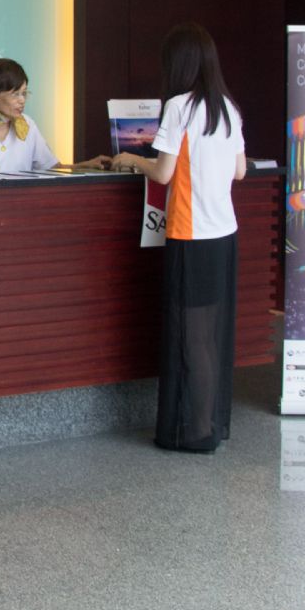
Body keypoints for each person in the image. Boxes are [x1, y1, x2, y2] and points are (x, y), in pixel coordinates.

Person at [112, 23, 246, 453]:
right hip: (224, 234)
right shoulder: (227, 108)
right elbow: (240, 171)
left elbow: (163, 173)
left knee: (191, 337)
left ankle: (194, 431)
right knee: (209, 335)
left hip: (191, 234)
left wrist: (131, 158)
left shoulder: (178, 107)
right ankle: (208, 424)